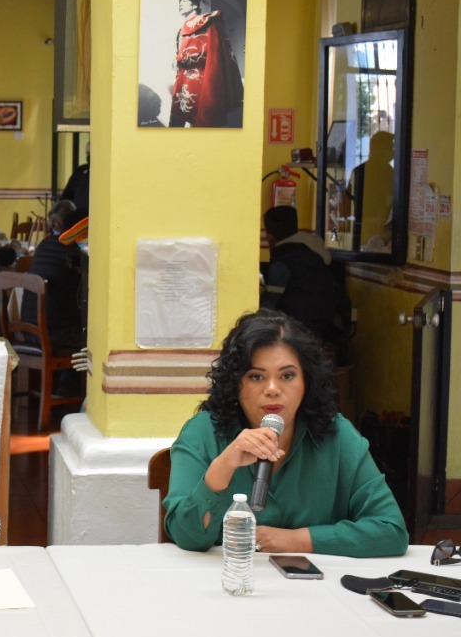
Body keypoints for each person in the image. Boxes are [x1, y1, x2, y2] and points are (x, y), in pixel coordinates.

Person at [163, 310, 407, 557]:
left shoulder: (336, 434)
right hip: (229, 575)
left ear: (307, 382)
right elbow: (187, 536)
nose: (272, 389)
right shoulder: (203, 431)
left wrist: (297, 540)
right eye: (256, 376)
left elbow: (391, 530)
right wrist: (224, 466)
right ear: (236, 384)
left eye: (287, 376)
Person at [262, 205, 346, 352]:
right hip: (323, 325)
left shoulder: (282, 262)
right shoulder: (313, 253)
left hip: (296, 329)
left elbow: (268, 307)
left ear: (270, 237)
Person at [169, 0, 244, 128]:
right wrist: (176, 60)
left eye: (184, 1)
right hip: (182, 78)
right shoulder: (180, 30)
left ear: (195, 5)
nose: (180, 4)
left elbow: (215, 50)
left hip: (201, 78)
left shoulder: (208, 22)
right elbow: (179, 52)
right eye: (180, 2)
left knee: (201, 119)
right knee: (176, 117)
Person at [21, 199, 86, 351]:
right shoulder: (77, 251)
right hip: (57, 335)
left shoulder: (44, 244)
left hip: (29, 330)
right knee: (97, 336)